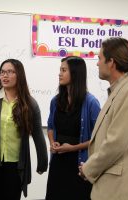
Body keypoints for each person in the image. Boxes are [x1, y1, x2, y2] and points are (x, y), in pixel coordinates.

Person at [79, 37, 128, 200]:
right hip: (118, 187)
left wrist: (88, 168)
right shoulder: (122, 90)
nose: (97, 63)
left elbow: (116, 143)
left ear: (111, 62)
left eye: (100, 58)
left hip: (122, 190)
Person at [0, 58, 48, 200]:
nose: (5, 75)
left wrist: (42, 161)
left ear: (19, 75)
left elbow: (38, 134)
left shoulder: (29, 103)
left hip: (16, 166)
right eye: (2, 72)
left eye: (10, 72)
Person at [45, 56, 101, 200]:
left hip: (80, 165)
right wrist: (52, 142)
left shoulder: (91, 103)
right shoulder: (56, 101)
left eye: (64, 70)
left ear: (75, 73)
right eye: (60, 70)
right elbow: (50, 127)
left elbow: (99, 139)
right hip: (58, 162)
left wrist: (72, 148)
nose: (59, 73)